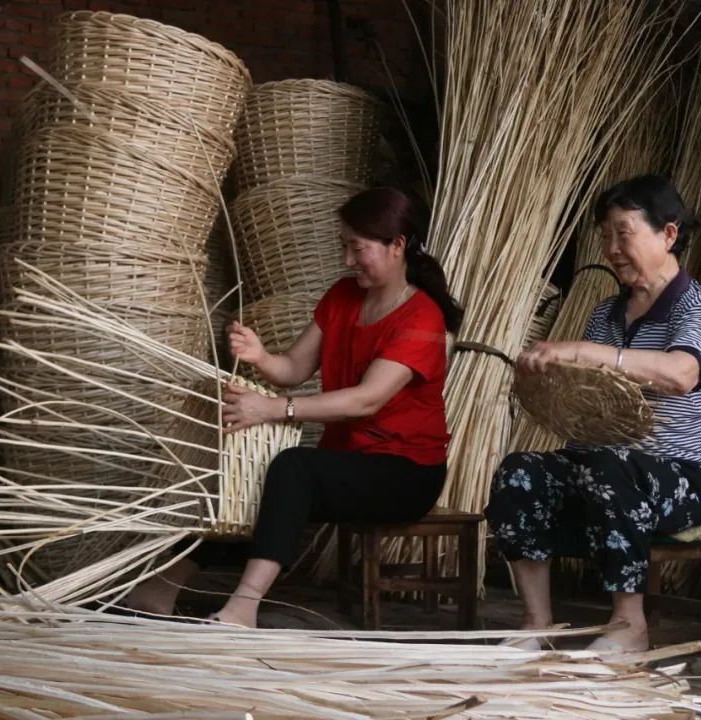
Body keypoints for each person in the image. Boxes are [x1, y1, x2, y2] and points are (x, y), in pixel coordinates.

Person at [125, 186, 463, 627]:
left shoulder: (421, 317)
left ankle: (244, 606)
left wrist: (273, 409)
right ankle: (162, 587)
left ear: (397, 245)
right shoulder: (343, 297)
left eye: (356, 248)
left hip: (405, 472)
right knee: (259, 476)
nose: (346, 260)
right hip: (348, 460)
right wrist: (260, 355)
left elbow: (367, 399)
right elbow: (293, 368)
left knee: (294, 468)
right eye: (344, 247)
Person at [486, 174, 701, 653]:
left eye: (623, 232)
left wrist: (582, 351)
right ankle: (537, 625)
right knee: (520, 472)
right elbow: (590, 395)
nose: (611, 247)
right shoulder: (605, 314)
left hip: (687, 483)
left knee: (612, 467)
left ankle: (628, 627)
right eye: (605, 235)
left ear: (668, 234)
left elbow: (680, 374)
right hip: (603, 469)